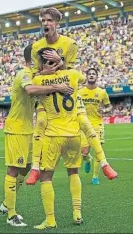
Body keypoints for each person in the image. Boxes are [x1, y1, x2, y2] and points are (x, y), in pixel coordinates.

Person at [0, 44, 72, 227]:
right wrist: (57, 86)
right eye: (42, 59)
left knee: (27, 167)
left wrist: (52, 70)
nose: (44, 63)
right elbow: (31, 90)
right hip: (16, 128)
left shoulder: (34, 76)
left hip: (27, 130)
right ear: (33, 59)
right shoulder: (23, 74)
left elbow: (42, 79)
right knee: (14, 169)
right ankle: (11, 214)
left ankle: (7, 202)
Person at [31, 48, 86, 229]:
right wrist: (61, 63)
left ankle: (50, 220)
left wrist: (42, 72)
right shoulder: (72, 74)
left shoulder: (39, 80)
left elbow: (30, 89)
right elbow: (84, 79)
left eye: (40, 62)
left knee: (46, 176)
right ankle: (77, 212)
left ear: (45, 63)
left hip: (54, 134)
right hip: (74, 134)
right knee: (73, 172)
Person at [79, 68, 113, 185]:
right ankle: (87, 159)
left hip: (97, 124)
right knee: (84, 152)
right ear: (87, 76)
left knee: (99, 150)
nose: (92, 75)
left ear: (96, 77)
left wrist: (105, 109)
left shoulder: (102, 92)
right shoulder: (80, 92)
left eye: (94, 74)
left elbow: (109, 107)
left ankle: (95, 177)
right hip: (83, 125)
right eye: (90, 74)